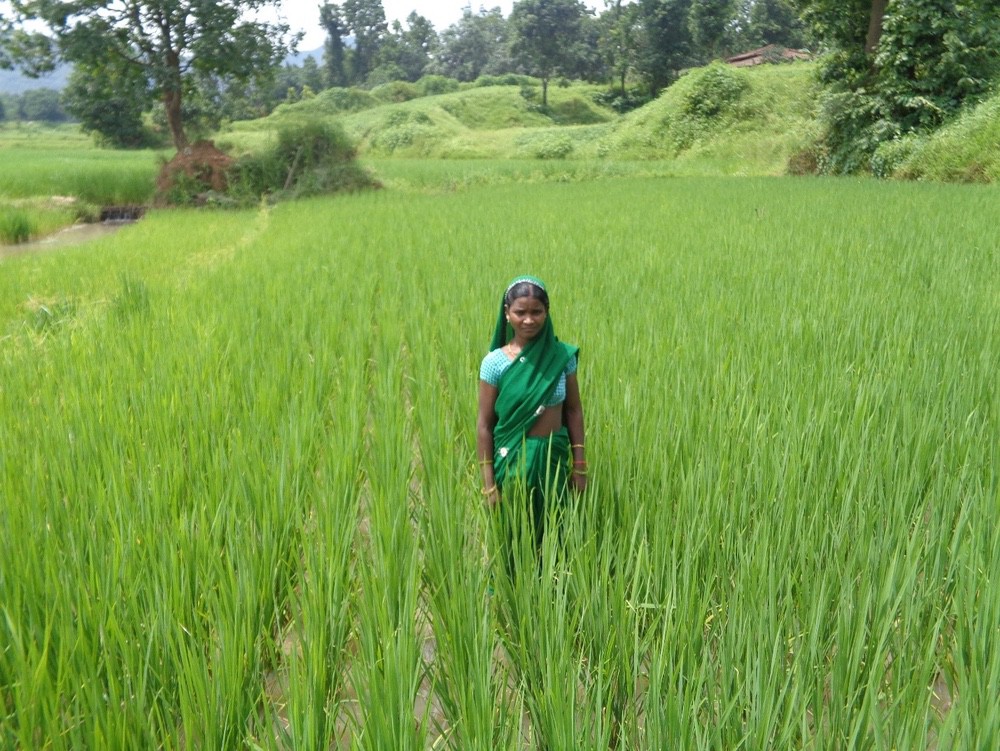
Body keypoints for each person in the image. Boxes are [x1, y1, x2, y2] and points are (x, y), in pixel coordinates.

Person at [477, 275, 586, 539]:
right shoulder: (495, 363)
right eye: (520, 312)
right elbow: (485, 424)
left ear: (547, 312)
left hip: (554, 459)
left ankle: (556, 581)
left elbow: (573, 411)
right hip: (512, 459)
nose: (528, 319)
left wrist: (580, 465)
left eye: (537, 312)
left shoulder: (561, 358)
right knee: (513, 534)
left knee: (558, 532)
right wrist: (489, 485)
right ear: (507, 313)